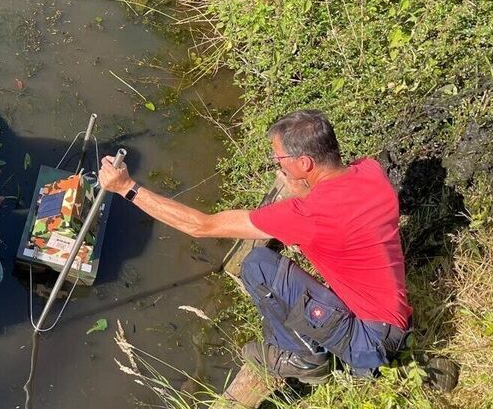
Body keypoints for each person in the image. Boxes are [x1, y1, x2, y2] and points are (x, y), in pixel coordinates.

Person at [98, 110, 411, 383]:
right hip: (393, 321)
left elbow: (201, 226)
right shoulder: (370, 171)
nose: (277, 165)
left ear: (304, 162)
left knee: (257, 265)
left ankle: (301, 356)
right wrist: (303, 189)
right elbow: (340, 216)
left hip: (368, 342)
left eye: (279, 160)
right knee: (267, 264)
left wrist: (128, 188)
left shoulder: (308, 215)